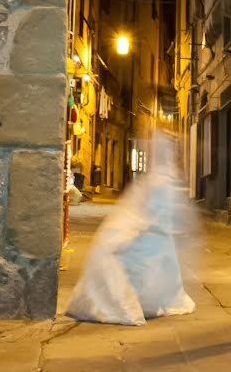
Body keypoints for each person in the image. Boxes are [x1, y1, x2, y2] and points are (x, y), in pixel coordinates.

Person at [65, 133, 197, 325]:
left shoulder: (157, 180)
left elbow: (154, 211)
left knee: (119, 256)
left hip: (154, 232)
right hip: (157, 235)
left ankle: (137, 300)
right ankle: (147, 299)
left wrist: (139, 226)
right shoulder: (165, 179)